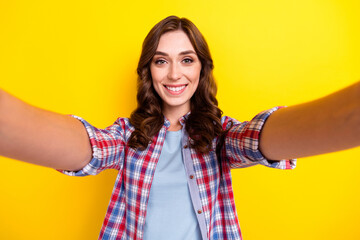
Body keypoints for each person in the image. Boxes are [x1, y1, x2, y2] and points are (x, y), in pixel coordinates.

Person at [0, 15, 359, 240]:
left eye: (186, 60)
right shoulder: (128, 136)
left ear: (201, 69)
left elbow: (259, 139)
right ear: (148, 71)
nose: (174, 74)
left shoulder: (221, 137)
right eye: (161, 61)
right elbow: (89, 147)